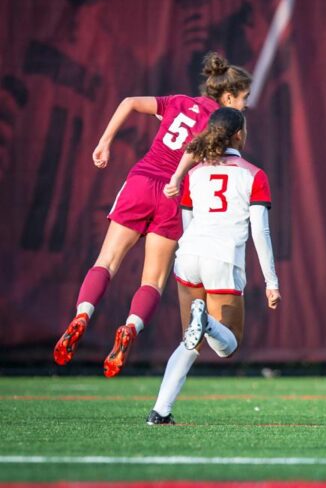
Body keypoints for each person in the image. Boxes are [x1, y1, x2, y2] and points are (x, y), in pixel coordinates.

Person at [53, 52, 252, 378]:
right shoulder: (224, 123)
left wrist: (104, 143)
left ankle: (82, 315)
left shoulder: (177, 101)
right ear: (228, 96)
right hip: (173, 194)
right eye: (243, 99)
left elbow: (130, 101)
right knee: (152, 281)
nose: (244, 106)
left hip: (141, 181)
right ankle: (130, 327)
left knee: (106, 261)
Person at [146, 107, 281, 425]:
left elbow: (187, 223)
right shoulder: (253, 174)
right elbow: (260, 233)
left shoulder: (193, 173)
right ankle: (205, 320)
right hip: (222, 258)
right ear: (237, 135)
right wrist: (271, 282)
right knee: (228, 345)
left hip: (189, 255)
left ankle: (160, 412)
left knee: (188, 342)